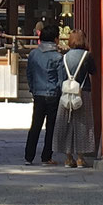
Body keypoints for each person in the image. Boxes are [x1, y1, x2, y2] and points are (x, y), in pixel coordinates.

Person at [54, 29, 96, 166]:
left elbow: (60, 77)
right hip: (83, 91)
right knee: (83, 125)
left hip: (66, 93)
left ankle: (68, 157)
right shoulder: (87, 56)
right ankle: (80, 158)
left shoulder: (64, 57)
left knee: (66, 123)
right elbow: (93, 71)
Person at [25, 23, 64, 165]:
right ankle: (46, 156)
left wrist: (33, 88)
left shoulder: (33, 54)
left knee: (35, 125)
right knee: (51, 127)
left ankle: (29, 156)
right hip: (53, 94)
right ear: (55, 39)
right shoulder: (58, 57)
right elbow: (61, 79)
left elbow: (29, 74)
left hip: (38, 93)